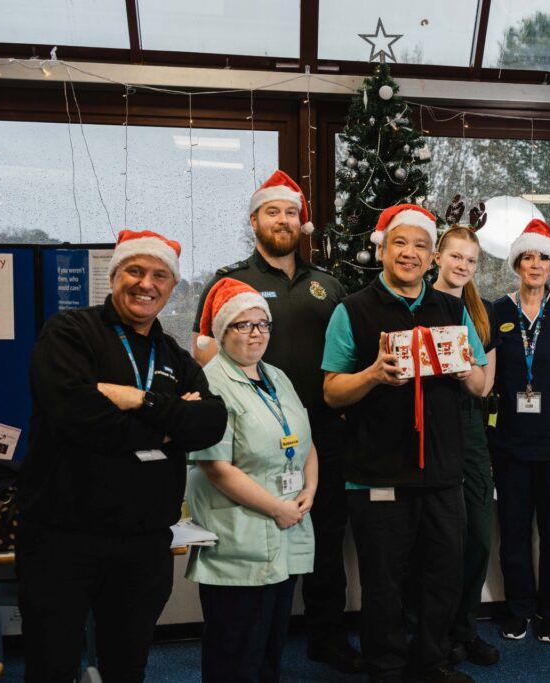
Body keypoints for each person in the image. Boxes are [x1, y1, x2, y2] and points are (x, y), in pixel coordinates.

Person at [17, 230, 227, 682]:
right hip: (63, 537)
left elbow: (210, 423)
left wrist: (140, 401)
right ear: (114, 277)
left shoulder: (172, 352)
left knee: (128, 665)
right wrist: (169, 428)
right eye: (135, 271)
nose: (146, 284)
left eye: (159, 276)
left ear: (172, 288)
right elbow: (79, 417)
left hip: (144, 543)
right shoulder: (70, 332)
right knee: (51, 666)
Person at [191, 170, 359, 672]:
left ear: (301, 222)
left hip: (317, 433)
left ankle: (326, 637)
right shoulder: (229, 282)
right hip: (246, 438)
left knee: (324, 537)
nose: (283, 220)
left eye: (291, 212)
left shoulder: (329, 286)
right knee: (258, 534)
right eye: (272, 212)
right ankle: (260, 642)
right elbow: (203, 354)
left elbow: (348, 354)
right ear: (255, 220)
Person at [321, 204, 488, 683]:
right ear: (383, 248)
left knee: (441, 577)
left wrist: (464, 371)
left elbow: (479, 386)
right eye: (400, 243)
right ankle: (386, 668)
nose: (410, 253)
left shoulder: (453, 309)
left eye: (419, 245)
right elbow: (332, 391)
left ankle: (431, 662)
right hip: (376, 472)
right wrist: (372, 375)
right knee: (383, 583)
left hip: (442, 472)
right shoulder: (351, 310)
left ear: (433, 256)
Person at [186, 278, 318, 681]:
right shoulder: (210, 383)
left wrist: (309, 489)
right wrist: (277, 507)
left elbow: (306, 441)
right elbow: (215, 466)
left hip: (285, 528)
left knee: (268, 649)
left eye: (263, 324)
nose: (256, 333)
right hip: (239, 538)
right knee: (235, 652)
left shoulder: (277, 376)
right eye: (244, 325)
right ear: (222, 332)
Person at [488, 219, 550, 643]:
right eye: (527, 257)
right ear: (516, 264)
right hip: (508, 442)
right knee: (512, 531)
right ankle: (519, 608)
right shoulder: (498, 311)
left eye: (542, 257)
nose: (535, 264)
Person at [432, 226, 502, 667]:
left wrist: (462, 369)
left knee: (477, 536)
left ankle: (465, 626)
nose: (462, 266)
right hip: (429, 425)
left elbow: (485, 383)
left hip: (470, 426)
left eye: (470, 260)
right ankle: (433, 636)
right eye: (455, 256)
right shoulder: (417, 305)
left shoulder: (480, 312)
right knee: (434, 542)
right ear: (439, 257)